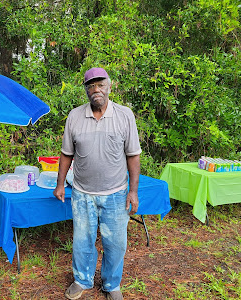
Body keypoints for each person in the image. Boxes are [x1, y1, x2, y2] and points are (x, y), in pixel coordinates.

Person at [53, 67, 142, 300]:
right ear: (86, 90)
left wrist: (133, 191)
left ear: (109, 86)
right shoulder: (74, 116)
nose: (96, 89)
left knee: (115, 244)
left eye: (100, 84)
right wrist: (60, 184)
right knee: (82, 242)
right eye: (91, 86)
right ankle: (82, 280)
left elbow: (133, 155)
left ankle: (111, 285)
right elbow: (66, 154)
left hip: (116, 194)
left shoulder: (125, 115)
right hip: (83, 193)